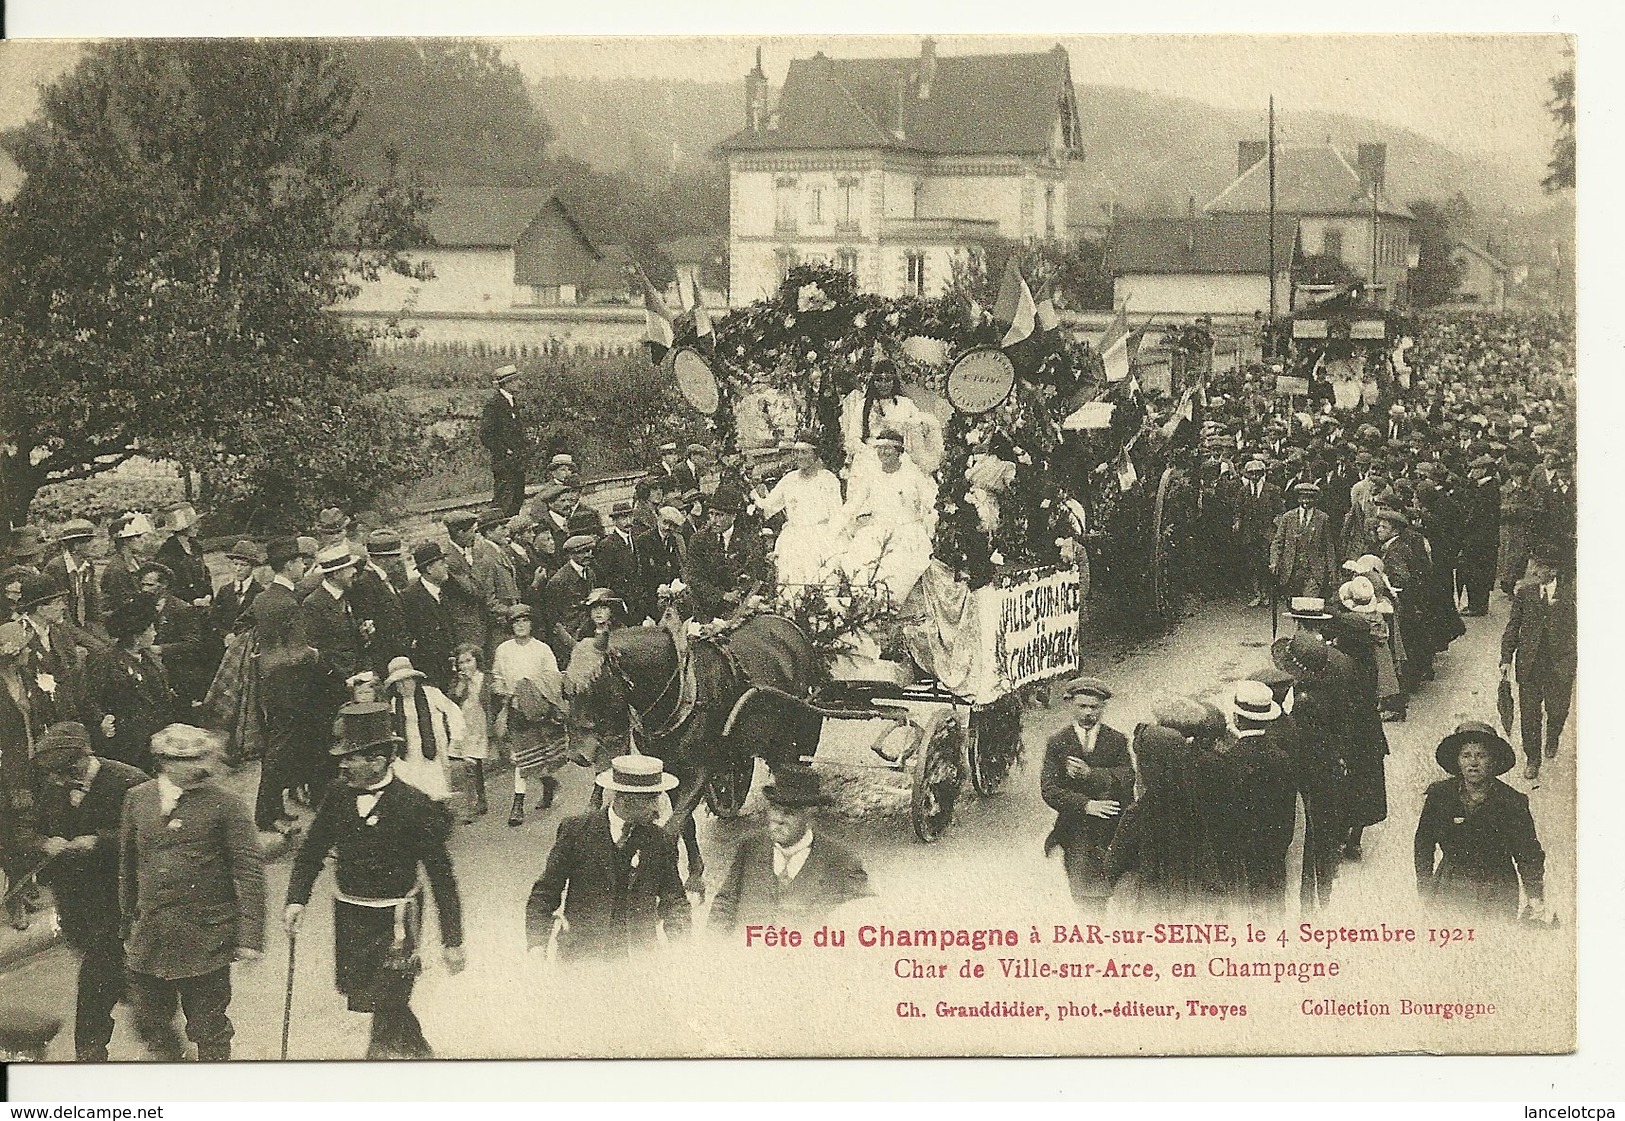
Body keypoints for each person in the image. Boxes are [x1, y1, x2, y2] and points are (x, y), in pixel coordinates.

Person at [284, 702, 466, 1060]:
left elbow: (441, 876)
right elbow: (312, 851)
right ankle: (420, 1053)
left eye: (351, 757)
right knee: (372, 998)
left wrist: (453, 941)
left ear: (378, 759)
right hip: (351, 915)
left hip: (397, 919)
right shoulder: (336, 795)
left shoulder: (415, 805)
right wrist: (296, 899)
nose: (343, 764)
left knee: (387, 1000)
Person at [119, 724, 265, 1062]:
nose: (196, 766)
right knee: (150, 1021)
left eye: (200, 758)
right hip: (150, 935)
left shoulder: (226, 804)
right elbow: (128, 865)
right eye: (184, 759)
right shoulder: (138, 799)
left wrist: (250, 936)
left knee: (209, 1026)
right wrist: (126, 921)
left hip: (206, 938)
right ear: (163, 762)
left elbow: (248, 870)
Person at [23, 721, 149, 1061]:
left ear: (83, 759)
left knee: (95, 978)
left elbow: (151, 839)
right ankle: (151, 1020)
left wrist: (98, 842)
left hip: (117, 900)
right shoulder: (53, 785)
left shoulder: (130, 782)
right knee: (116, 975)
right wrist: (44, 842)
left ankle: (90, 1055)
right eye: (55, 776)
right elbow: (29, 829)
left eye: (65, 773)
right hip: (75, 903)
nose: (59, 782)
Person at [525, 754, 691, 962]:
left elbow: (675, 899)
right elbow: (545, 893)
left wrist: (681, 944)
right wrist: (537, 945)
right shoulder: (576, 831)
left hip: (637, 963)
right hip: (580, 960)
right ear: (625, 799)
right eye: (650, 800)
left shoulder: (660, 841)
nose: (657, 810)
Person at [709, 764, 870, 934]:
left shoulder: (841, 862)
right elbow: (724, 905)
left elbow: (864, 918)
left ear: (810, 814)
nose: (778, 819)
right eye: (774, 809)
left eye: (789, 812)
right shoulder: (750, 848)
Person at [1414, 721, 1546, 924]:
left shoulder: (1512, 802)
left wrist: (1535, 896)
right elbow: (1424, 842)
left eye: (1481, 755)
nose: (1473, 762)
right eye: (1466, 755)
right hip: (1451, 882)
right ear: (1457, 761)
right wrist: (1424, 886)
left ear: (1493, 762)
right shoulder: (1440, 795)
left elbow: (1528, 853)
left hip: (1498, 887)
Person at [1039, 677, 1132, 914]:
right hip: (1075, 830)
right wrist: (1085, 805)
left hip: (1111, 829)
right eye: (1082, 706)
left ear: (1103, 707)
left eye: (1095, 707)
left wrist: (1092, 774)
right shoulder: (1058, 742)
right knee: (1084, 896)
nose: (1088, 713)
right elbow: (1049, 790)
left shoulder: (1117, 740)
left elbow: (1127, 778)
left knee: (1116, 891)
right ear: (1071, 705)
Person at [248, 537, 314, 833]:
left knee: (277, 749)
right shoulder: (288, 603)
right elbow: (297, 652)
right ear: (289, 565)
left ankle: (274, 808)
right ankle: (266, 813)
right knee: (279, 751)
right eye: (301, 561)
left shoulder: (263, 598)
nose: (304, 566)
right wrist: (314, 653)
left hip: (271, 685)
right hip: (289, 686)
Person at [1499, 548, 1576, 781]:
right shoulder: (1525, 593)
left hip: (1559, 665)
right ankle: (1533, 759)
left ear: (1552, 570)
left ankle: (1552, 736)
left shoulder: (1570, 595)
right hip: (1530, 664)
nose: (1533, 571)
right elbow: (1513, 626)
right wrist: (1505, 658)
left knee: (1558, 710)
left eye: (1539, 567)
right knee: (1529, 715)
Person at [837, 430, 938, 603]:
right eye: (880, 448)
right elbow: (853, 504)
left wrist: (932, 527)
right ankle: (869, 609)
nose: (883, 453)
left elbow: (933, 503)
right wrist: (835, 526)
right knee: (859, 564)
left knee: (895, 571)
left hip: (907, 533)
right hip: (877, 530)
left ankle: (888, 607)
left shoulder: (912, 475)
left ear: (899, 451)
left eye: (888, 448)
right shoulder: (872, 476)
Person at [80, 597, 175, 776]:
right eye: (151, 629)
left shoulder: (150, 658)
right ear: (136, 636)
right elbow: (88, 699)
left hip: (154, 737)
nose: (155, 633)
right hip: (124, 741)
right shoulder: (106, 660)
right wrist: (102, 720)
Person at [1226, 680, 1298, 916]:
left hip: (1243, 847)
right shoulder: (1282, 758)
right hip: (1276, 841)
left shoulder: (1231, 759)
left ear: (1237, 719)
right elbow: (1288, 806)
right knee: (1276, 893)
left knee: (1249, 902)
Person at [492, 604, 566, 826]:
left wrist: (538, 693)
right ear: (510, 626)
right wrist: (504, 691)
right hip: (515, 708)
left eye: (524, 621)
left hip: (539, 709)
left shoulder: (542, 649)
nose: (521, 625)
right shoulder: (503, 650)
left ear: (531, 623)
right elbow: (496, 677)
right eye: (516, 622)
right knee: (521, 759)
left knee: (541, 754)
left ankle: (547, 784)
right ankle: (518, 805)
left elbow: (553, 677)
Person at [753, 430, 844, 592]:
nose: (800, 457)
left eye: (805, 452)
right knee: (791, 587)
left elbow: (836, 516)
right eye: (796, 452)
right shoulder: (789, 480)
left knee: (820, 584)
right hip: (794, 538)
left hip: (820, 537)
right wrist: (752, 494)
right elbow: (768, 506)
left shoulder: (828, 480)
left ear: (815, 455)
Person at [839, 360, 944, 482]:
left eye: (888, 380)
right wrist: (870, 453)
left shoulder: (906, 404)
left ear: (894, 381)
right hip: (870, 457)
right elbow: (854, 437)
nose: (883, 385)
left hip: (900, 456)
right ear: (873, 381)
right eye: (879, 380)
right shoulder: (863, 406)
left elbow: (918, 430)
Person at [138, 562, 221, 709]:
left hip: (176, 667)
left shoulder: (182, 609)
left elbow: (193, 643)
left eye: (150, 585)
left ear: (163, 586)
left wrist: (161, 649)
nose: (144, 589)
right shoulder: (140, 605)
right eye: (143, 585)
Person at [382, 655, 463, 804]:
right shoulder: (396, 702)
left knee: (437, 784)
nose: (403, 686)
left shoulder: (431, 693)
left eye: (406, 680)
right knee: (416, 785)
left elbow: (453, 712)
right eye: (398, 683)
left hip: (433, 746)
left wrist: (456, 738)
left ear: (414, 679)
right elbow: (393, 726)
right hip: (410, 749)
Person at [349, 529, 411, 676]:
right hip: (386, 657)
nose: (398, 561)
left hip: (398, 652)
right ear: (383, 559)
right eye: (395, 557)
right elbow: (369, 625)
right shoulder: (365, 583)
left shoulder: (385, 578)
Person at [402, 541, 457, 693]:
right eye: (441, 563)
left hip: (450, 666)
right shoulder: (410, 597)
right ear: (429, 569)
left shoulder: (445, 590)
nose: (446, 566)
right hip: (430, 670)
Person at [447, 643, 493, 822]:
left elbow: (491, 700)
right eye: (461, 663)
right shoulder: (458, 681)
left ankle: (479, 800)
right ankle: (474, 804)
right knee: (470, 766)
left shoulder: (486, 678)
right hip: (466, 725)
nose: (465, 666)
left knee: (476, 765)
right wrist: (462, 683)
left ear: (477, 661)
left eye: (469, 661)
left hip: (482, 725)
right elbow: (453, 700)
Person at [1271, 482, 1338, 600]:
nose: (1306, 501)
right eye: (1303, 497)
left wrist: (1332, 570)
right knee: (1293, 606)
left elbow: (1329, 546)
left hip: (1313, 571)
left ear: (1316, 499)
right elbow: (1278, 542)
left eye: (1310, 498)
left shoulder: (1323, 518)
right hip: (1291, 571)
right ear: (1298, 498)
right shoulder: (1288, 517)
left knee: (1309, 604)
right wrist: (1274, 561)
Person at [480, 364, 528, 516]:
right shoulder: (494, 404)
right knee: (503, 502)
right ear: (507, 383)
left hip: (517, 463)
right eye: (516, 380)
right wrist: (505, 450)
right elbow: (486, 435)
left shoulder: (513, 402)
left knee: (517, 500)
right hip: (504, 463)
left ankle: (511, 535)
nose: (520, 383)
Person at [43, 518, 103, 642]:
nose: (95, 544)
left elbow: (92, 601)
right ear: (76, 545)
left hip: (84, 624)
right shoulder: (56, 567)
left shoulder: (87, 565)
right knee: (100, 650)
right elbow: (58, 610)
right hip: (63, 627)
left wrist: (97, 626)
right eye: (89, 541)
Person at [1233, 460, 1283, 608]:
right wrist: (1237, 521)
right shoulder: (1243, 491)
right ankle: (1257, 594)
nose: (1254, 476)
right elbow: (1238, 510)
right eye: (1251, 473)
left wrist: (1276, 524)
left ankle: (1267, 594)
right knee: (1252, 565)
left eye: (1257, 473)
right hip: (1249, 533)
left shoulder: (1273, 490)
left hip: (1267, 533)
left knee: (1266, 564)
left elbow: (1280, 510)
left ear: (1262, 474)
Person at [542, 534, 596, 665]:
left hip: (588, 634)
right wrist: (572, 643)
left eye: (589, 550)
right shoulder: (558, 581)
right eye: (582, 552)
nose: (588, 555)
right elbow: (553, 620)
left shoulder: (590, 573)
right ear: (571, 555)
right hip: (569, 640)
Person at [1458, 455, 1502, 615]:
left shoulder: (1488, 490)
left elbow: (1476, 515)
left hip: (1481, 540)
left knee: (1477, 573)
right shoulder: (1483, 487)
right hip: (1481, 539)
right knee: (1476, 572)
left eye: (1475, 469)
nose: (1472, 472)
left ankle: (1477, 605)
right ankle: (1476, 604)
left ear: (1483, 470)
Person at [593, 500, 645, 623]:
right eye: (623, 518)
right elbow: (604, 577)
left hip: (637, 599)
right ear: (614, 521)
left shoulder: (636, 538)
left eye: (629, 517)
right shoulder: (608, 545)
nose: (628, 521)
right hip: (621, 600)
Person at [154, 503, 212, 609]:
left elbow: (205, 573)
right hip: (179, 608)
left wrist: (208, 594)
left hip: (203, 604)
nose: (197, 526)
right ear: (181, 528)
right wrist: (192, 600)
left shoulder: (195, 546)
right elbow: (168, 586)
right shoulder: (168, 551)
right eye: (192, 524)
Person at [99, 513, 154, 617]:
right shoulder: (117, 568)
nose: (143, 540)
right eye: (137, 536)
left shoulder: (135, 562)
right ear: (126, 541)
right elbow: (121, 602)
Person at [211, 540, 265, 643]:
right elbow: (214, 619)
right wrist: (226, 635)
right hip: (224, 644)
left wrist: (239, 637)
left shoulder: (260, 592)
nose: (238, 569)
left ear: (252, 566)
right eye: (235, 564)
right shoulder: (225, 590)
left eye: (243, 565)